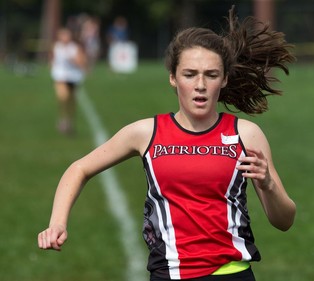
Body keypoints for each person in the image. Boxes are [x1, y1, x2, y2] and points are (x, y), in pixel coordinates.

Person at [38, 6, 296, 281]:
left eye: (210, 74)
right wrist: (57, 223)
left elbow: (284, 220)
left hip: (232, 274)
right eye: (189, 74)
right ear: (173, 78)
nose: (200, 84)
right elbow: (79, 169)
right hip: (169, 274)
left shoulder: (246, 134)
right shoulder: (146, 132)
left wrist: (268, 184)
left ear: (224, 79)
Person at [50, 27, 86, 135]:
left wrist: (73, 60)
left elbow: (81, 62)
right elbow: (53, 59)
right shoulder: (56, 47)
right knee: (63, 96)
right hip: (60, 76)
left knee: (71, 101)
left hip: (73, 77)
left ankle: (69, 120)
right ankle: (63, 119)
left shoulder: (74, 48)